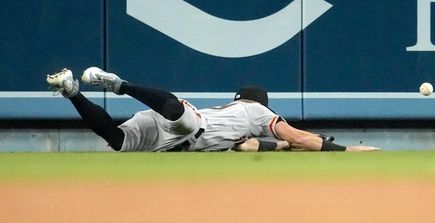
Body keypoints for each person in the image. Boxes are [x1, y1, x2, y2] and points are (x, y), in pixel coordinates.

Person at [46, 67, 378, 152]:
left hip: (167, 138)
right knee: (177, 111)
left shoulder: (239, 124)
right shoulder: (255, 111)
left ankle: (72, 91)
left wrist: (285, 146)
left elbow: (252, 145)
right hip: (190, 126)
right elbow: (293, 137)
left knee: (117, 139)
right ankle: (120, 86)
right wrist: (341, 148)